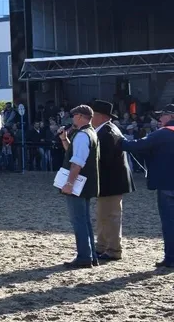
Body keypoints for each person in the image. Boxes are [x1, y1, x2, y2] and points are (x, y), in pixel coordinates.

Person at [120, 103, 174, 269]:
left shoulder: (162, 134)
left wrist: (119, 138)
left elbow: (133, 145)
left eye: (163, 115)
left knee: (169, 222)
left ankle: (171, 258)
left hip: (167, 184)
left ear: (171, 116)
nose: (159, 118)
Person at [57, 105, 101, 269]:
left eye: (74, 115)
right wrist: (64, 139)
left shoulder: (82, 136)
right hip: (88, 183)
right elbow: (74, 153)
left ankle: (84, 256)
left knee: (79, 221)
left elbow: (77, 163)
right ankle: (90, 255)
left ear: (81, 116)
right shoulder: (90, 133)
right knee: (85, 220)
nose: (72, 118)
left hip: (79, 184)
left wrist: (69, 183)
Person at [90, 100, 133, 263]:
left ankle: (113, 249)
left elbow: (103, 160)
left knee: (110, 216)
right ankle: (102, 245)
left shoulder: (106, 133)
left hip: (111, 181)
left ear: (100, 116)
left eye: (93, 115)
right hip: (110, 181)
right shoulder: (106, 130)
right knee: (103, 214)